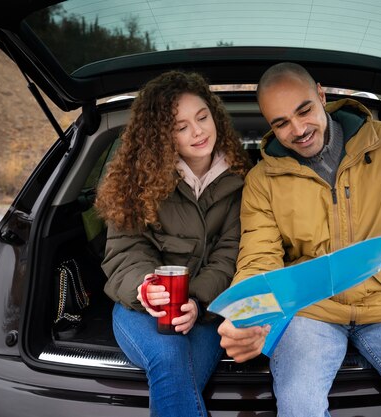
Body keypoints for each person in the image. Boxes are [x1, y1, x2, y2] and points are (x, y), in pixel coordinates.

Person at [217, 62, 381, 416]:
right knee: (299, 410)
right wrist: (247, 314)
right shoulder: (262, 179)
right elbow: (258, 258)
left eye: (304, 110)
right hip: (310, 311)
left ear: (322, 96)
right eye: (280, 123)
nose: (297, 130)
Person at [95, 70, 251, 417]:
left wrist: (196, 301)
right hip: (139, 308)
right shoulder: (134, 181)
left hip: (208, 310)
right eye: (181, 126)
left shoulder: (243, 182)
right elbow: (125, 251)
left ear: (214, 116)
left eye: (202, 117)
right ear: (162, 136)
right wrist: (147, 288)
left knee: (179, 368)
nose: (198, 131)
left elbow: (231, 256)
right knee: (168, 355)